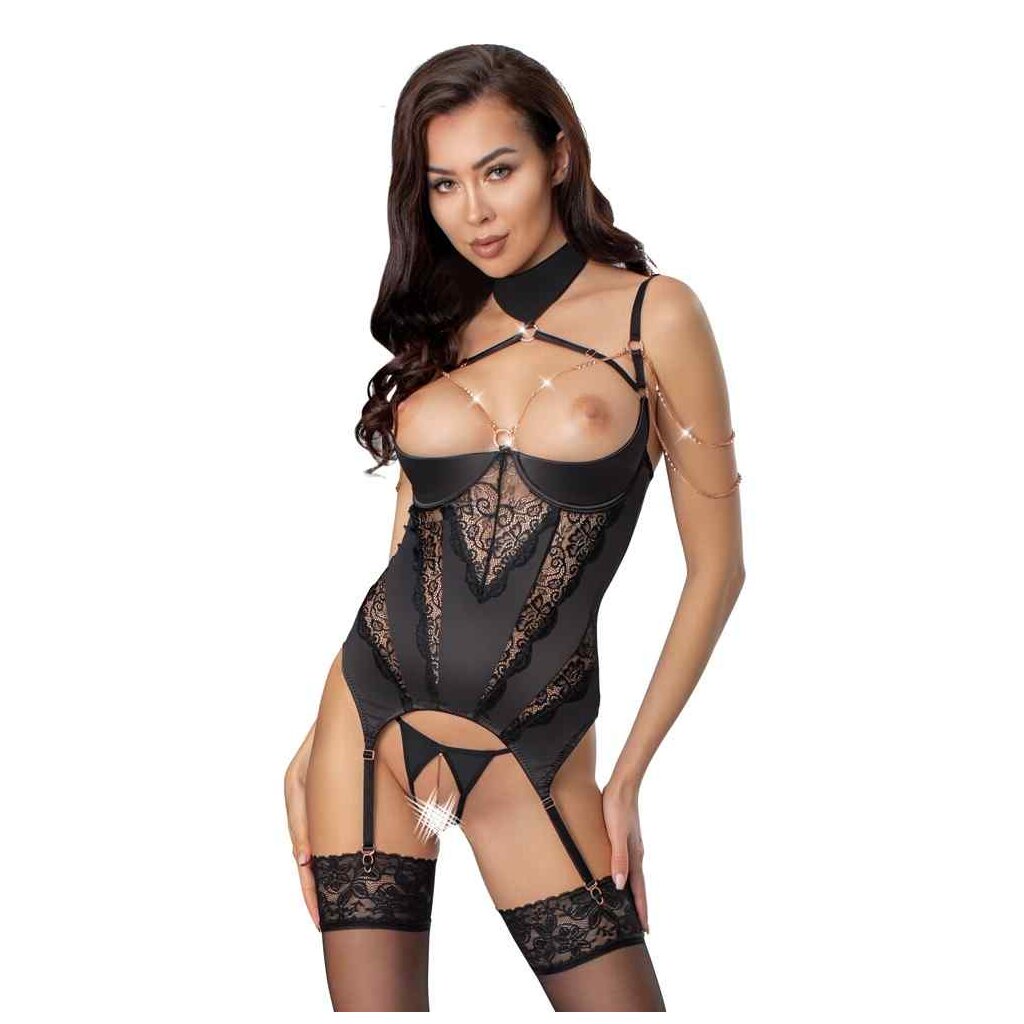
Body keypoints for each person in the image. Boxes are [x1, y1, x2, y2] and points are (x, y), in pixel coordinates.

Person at [283, 43, 744, 1012]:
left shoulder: (654, 316)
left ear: (558, 156)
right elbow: (411, 542)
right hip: (366, 720)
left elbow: (717, 569)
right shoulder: (444, 325)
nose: (474, 212)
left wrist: (628, 776)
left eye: (499, 171)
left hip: (536, 739)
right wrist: (311, 736)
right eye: (444, 184)